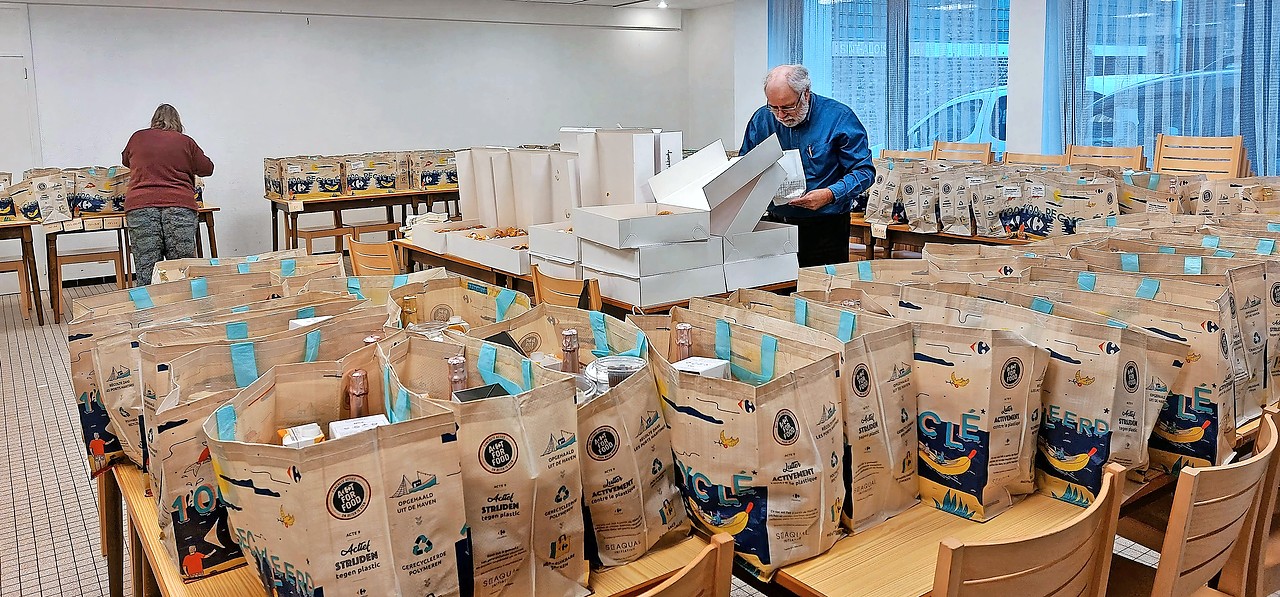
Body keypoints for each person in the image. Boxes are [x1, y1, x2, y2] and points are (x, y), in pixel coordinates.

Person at [741, 65, 875, 267]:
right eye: (773, 107)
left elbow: (864, 172)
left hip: (826, 227)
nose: (780, 115)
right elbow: (745, 165)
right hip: (775, 224)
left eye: (787, 107)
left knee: (822, 291)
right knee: (777, 294)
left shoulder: (839, 118)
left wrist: (830, 194)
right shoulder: (761, 119)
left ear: (805, 93)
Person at [122, 104, 214, 285]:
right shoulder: (185, 142)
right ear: (178, 122)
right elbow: (207, 168)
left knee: (146, 267)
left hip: (141, 208)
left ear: (154, 120)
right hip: (179, 207)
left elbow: (126, 160)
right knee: (181, 267)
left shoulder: (137, 138)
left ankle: (147, 311)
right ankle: (182, 310)